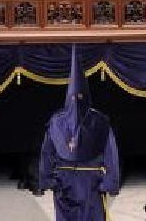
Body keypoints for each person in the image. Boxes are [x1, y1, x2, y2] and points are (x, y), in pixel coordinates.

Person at [39, 48, 119, 220]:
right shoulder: (56, 122)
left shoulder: (99, 121)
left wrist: (109, 181)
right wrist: (48, 178)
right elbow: (47, 151)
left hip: (90, 181)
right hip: (66, 181)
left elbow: (110, 152)